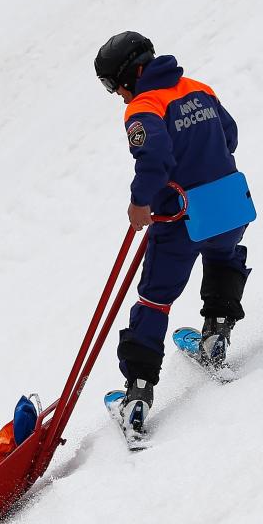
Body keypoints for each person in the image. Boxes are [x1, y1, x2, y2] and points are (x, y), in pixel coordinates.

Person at [94, 31, 251, 434]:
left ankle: (137, 396)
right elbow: (229, 136)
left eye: (113, 85)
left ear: (132, 73)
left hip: (180, 218)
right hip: (230, 204)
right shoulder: (199, 89)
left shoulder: (144, 108)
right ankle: (216, 336)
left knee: (154, 301)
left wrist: (140, 202)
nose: (117, 95)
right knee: (224, 257)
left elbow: (155, 158)